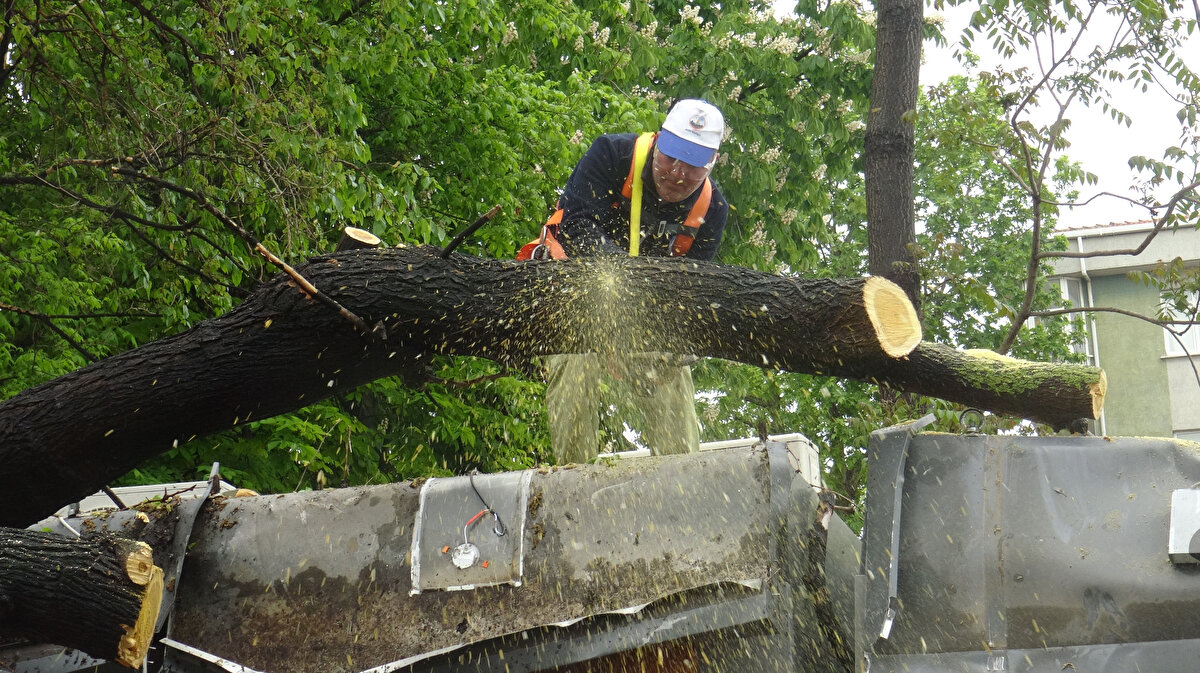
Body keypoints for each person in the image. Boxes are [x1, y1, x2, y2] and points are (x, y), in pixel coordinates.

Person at [529, 99, 730, 463]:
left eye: (693, 165)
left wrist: (672, 335)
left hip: (645, 310)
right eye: (671, 157)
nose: (678, 173)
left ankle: (683, 475)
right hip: (578, 288)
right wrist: (625, 275)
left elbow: (691, 286)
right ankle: (575, 480)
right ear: (657, 143)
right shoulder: (611, 155)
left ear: (711, 163)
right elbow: (576, 225)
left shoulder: (711, 209)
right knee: (575, 364)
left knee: (668, 368)